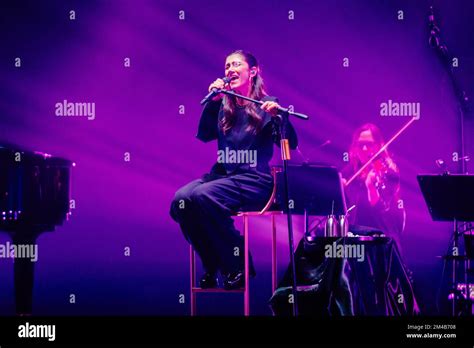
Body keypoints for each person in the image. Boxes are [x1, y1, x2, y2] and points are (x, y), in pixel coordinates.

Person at [170, 50, 298, 290]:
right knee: (181, 201)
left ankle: (238, 264)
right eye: (227, 65)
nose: (229, 69)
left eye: (236, 64)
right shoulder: (224, 106)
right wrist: (213, 102)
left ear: (253, 71)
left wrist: (280, 120)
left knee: (202, 195)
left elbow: (289, 147)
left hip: (255, 180)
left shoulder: (267, 104)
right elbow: (205, 135)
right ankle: (213, 262)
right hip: (224, 176)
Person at [341, 123, 405, 248]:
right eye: (360, 145)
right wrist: (340, 190)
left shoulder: (388, 172)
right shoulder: (350, 171)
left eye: (369, 144)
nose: (364, 149)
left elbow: (383, 211)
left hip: (381, 238)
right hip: (355, 237)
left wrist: (371, 187)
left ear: (378, 146)